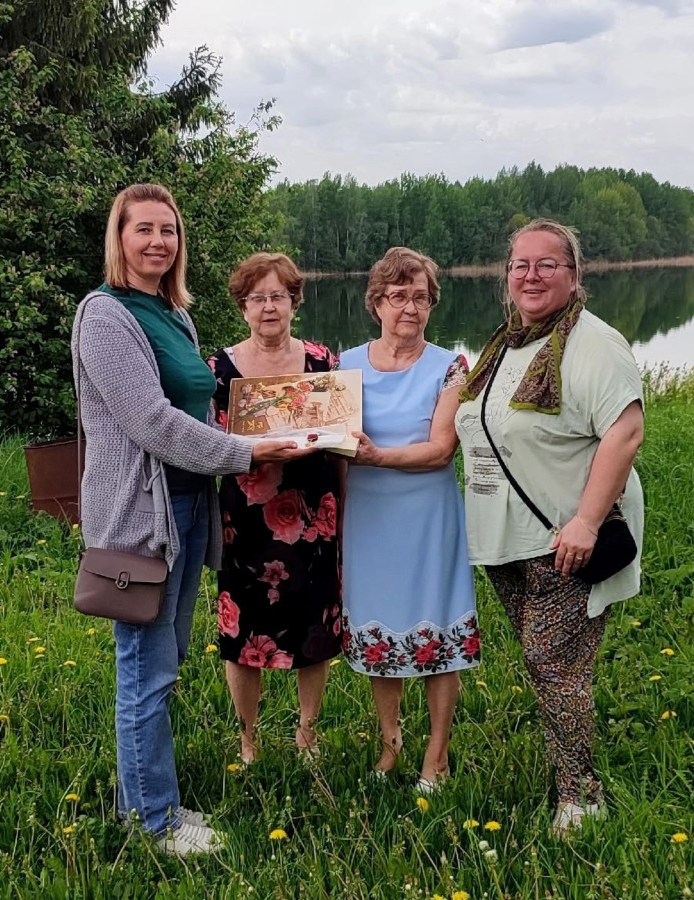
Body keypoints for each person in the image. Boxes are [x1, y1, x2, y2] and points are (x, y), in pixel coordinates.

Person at [72, 184, 308, 855]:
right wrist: (248, 452)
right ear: (119, 238)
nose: (158, 241)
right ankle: (152, 823)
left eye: (168, 230)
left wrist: (266, 431)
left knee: (164, 662)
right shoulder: (105, 315)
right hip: (140, 518)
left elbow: (199, 410)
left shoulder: (174, 313)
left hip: (187, 506)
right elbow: (150, 421)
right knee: (143, 669)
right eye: (143, 229)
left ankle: (147, 799)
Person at [455, 219, 646, 833]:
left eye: (546, 264)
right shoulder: (508, 344)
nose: (531, 276)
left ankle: (580, 797)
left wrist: (586, 522)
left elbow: (626, 431)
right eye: (520, 265)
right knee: (546, 664)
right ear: (507, 275)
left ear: (573, 273)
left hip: (564, 539)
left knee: (556, 665)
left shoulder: (594, 344)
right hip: (507, 539)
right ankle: (566, 770)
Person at [340, 246, 479, 793]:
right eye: (398, 296)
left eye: (421, 297)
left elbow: (441, 449)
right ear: (376, 303)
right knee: (380, 629)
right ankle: (390, 744)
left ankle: (436, 755)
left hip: (428, 519)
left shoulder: (450, 367)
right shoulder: (344, 366)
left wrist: (377, 457)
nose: (410, 308)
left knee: (436, 628)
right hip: (367, 519)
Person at [208, 252, 344, 763]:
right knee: (242, 629)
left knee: (315, 623)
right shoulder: (218, 370)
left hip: (313, 513)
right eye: (258, 298)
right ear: (243, 306)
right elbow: (206, 440)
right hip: (244, 518)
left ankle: (308, 733)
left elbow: (341, 436)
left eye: (279, 297)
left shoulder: (322, 362)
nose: (269, 307)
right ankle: (248, 740)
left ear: (294, 303)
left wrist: (345, 504)